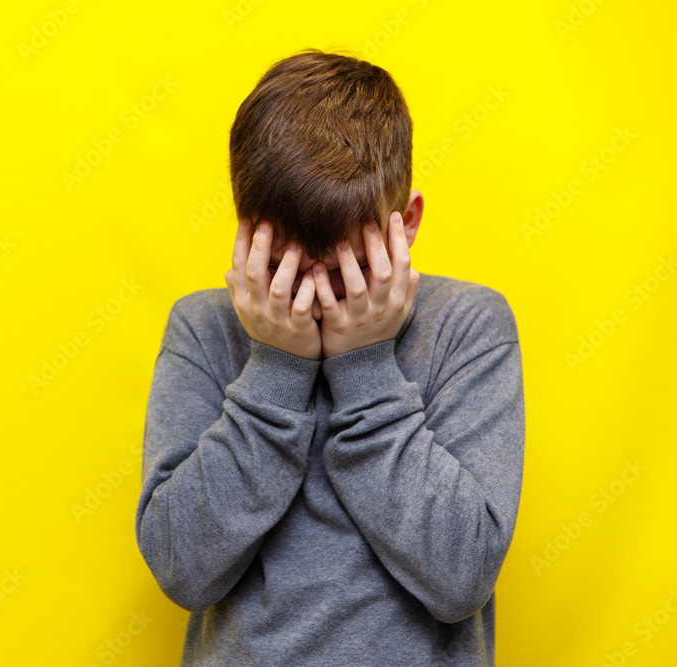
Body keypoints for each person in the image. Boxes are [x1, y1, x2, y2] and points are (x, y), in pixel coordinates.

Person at [135, 48, 525, 666]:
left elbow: (462, 578)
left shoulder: (469, 327)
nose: (316, 301)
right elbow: (183, 570)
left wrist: (365, 365)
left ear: (409, 221)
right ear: (246, 228)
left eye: (349, 272)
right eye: (290, 273)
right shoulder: (203, 328)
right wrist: (275, 368)